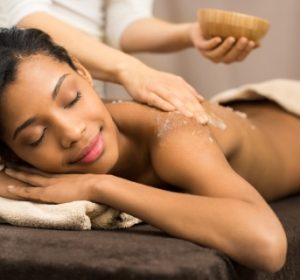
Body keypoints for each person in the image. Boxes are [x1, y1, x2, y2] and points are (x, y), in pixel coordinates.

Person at [0, 27, 290, 272]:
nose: (73, 132)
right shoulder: (22, 161)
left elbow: (267, 245)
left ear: (83, 72)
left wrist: (100, 186)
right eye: (36, 137)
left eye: (72, 99)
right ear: (11, 153)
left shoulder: (171, 135)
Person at [0, 0, 258, 123]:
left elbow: (124, 23)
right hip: (16, 85)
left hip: (80, 91)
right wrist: (131, 70)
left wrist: (189, 33)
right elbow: (25, 18)